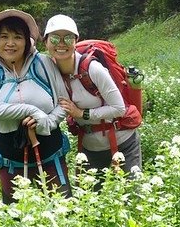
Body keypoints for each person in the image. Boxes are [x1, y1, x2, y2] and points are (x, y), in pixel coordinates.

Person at [0, 9, 72, 204]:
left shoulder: (44, 64)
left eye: (17, 37)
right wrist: (30, 111)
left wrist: (47, 122)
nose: (10, 43)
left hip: (50, 154)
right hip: (10, 159)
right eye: (4, 37)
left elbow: (64, 102)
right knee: (17, 218)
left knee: (63, 209)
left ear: (27, 41)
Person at [44, 14, 142, 180]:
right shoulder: (47, 70)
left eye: (67, 38)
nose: (61, 44)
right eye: (54, 39)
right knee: (89, 199)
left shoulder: (92, 68)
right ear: (45, 42)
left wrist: (82, 114)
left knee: (133, 198)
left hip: (123, 143)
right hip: (90, 149)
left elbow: (119, 108)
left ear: (76, 41)